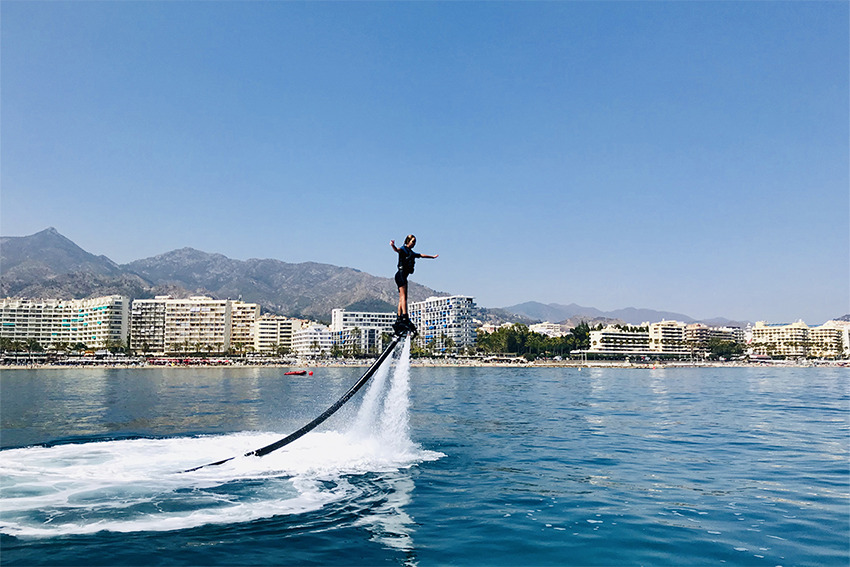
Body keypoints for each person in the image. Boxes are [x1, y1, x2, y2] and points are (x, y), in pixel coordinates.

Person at [390, 235, 438, 335]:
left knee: (401, 298)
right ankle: (405, 317)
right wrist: (392, 246)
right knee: (404, 297)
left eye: (415, 242)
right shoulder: (404, 249)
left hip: (402, 275)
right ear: (408, 241)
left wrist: (432, 257)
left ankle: (399, 318)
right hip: (401, 274)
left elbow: (421, 255)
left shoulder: (411, 252)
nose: (414, 243)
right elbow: (397, 250)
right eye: (413, 241)